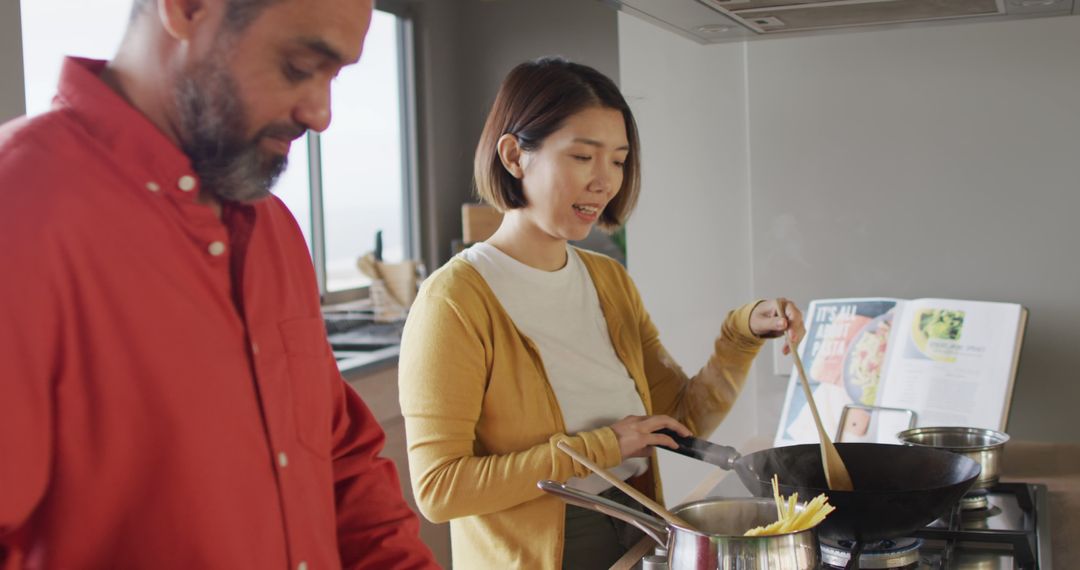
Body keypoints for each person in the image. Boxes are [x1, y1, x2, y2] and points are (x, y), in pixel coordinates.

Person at [0, 0, 437, 568]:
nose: (321, 114)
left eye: (334, 77)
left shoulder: (273, 229)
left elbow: (342, 468)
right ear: (185, 9)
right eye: (300, 66)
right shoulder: (22, 210)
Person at [397, 57, 806, 570]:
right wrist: (604, 446)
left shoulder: (607, 281)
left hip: (634, 526)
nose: (604, 181)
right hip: (540, 552)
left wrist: (741, 334)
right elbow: (440, 489)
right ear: (514, 155)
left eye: (617, 160)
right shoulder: (455, 301)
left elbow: (677, 420)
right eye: (583, 157)